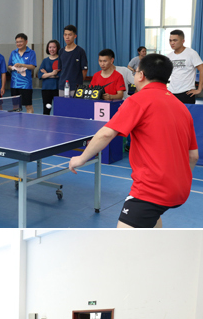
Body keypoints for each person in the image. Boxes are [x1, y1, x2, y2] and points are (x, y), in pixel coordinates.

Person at [70, 51, 198, 226]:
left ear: (141, 75)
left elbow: (106, 133)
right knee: (153, 215)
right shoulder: (182, 107)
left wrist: (81, 158)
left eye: (136, 72)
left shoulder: (138, 100)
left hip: (151, 189)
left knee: (124, 240)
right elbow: (193, 156)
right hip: (181, 189)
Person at [159, 28, 202, 106]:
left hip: (186, 93)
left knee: (185, 114)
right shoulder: (169, 56)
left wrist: (199, 89)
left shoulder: (191, 53)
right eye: (170, 40)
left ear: (183, 41)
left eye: (175, 40)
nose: (172, 43)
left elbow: (202, 70)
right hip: (171, 92)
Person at [9, 33, 37, 112]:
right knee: (15, 106)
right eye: (17, 42)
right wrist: (13, 68)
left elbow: (33, 66)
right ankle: (17, 120)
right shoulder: (13, 53)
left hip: (26, 85)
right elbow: (9, 65)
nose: (19, 44)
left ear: (26, 42)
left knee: (28, 106)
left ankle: (29, 120)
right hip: (14, 84)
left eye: (21, 41)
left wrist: (22, 65)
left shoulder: (31, 53)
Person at [39, 39, 61, 113]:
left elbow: (61, 75)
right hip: (46, 89)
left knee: (59, 110)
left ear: (57, 48)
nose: (52, 49)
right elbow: (40, 75)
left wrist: (46, 74)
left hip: (57, 89)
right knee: (46, 110)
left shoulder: (61, 60)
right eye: (50, 47)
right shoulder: (45, 61)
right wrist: (52, 73)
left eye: (54, 47)